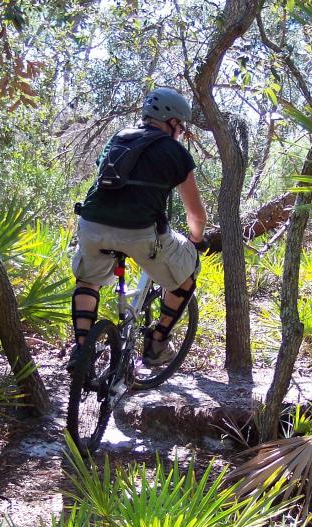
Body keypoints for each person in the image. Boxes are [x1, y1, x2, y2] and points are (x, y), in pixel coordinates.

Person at [68, 87, 207, 370]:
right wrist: (195, 241)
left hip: (91, 225)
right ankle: (156, 343)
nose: (180, 133)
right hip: (141, 233)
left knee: (88, 279)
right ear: (171, 122)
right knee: (188, 272)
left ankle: (81, 350)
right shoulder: (174, 152)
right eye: (180, 127)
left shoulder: (118, 138)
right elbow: (196, 214)